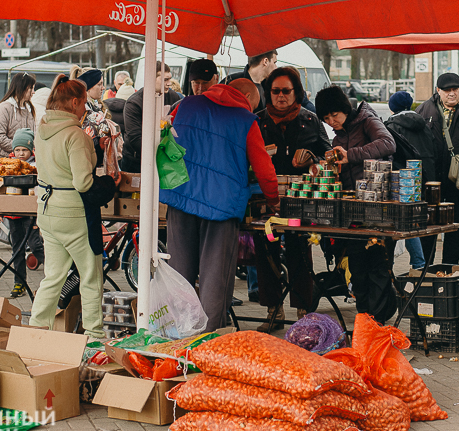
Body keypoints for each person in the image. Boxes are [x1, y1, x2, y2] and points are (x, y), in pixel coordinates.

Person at [163, 78, 280, 330]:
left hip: (180, 196)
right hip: (222, 206)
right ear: (247, 98)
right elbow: (264, 169)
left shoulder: (184, 105)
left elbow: (162, 140)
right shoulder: (245, 120)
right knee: (215, 278)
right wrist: (274, 200)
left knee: (178, 273)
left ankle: (175, 337)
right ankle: (207, 341)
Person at [30, 76, 119, 339]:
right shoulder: (75, 135)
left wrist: (92, 148)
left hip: (47, 210)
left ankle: (36, 331)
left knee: (53, 277)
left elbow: (61, 165)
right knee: (90, 277)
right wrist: (109, 183)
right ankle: (94, 336)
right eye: (85, 105)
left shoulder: (43, 131)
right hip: (74, 214)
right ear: (75, 102)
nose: (86, 110)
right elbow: (83, 182)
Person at [255, 67, 330, 330]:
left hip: (300, 201)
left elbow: (329, 155)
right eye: (275, 91)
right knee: (266, 253)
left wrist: (313, 159)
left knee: (300, 253)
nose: (281, 96)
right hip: (265, 201)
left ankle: (303, 312)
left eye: (286, 91)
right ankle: (273, 311)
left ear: (296, 92)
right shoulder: (258, 121)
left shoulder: (309, 120)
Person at [316, 85, 397, 321]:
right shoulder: (338, 137)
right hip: (353, 210)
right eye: (326, 118)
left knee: (377, 264)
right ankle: (364, 318)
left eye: (334, 115)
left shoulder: (367, 120)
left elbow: (388, 143)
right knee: (357, 267)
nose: (331, 121)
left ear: (345, 108)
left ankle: (378, 320)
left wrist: (351, 155)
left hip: (377, 206)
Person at [416, 72, 459, 265]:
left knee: (455, 226)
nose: (452, 93)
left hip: (457, 181)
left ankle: (449, 267)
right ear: (438, 91)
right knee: (427, 225)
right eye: (447, 90)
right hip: (430, 180)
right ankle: (426, 268)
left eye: (455, 89)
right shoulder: (423, 110)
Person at [385, 90, 438, 272]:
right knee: (412, 222)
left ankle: (393, 267)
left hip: (402, 181)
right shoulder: (423, 124)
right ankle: (419, 264)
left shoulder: (392, 126)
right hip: (423, 179)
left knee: (402, 222)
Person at [0, 128, 45, 298]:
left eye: (24, 150)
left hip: (31, 214)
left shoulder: (38, 165)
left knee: (36, 245)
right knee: (17, 250)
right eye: (18, 150)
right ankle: (19, 283)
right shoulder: (6, 166)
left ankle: (55, 275)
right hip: (13, 214)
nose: (21, 154)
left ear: (31, 149)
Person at [122, 62, 183, 173]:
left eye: (170, 79)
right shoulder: (134, 103)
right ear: (150, 78)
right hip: (136, 162)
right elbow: (135, 138)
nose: (169, 83)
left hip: (166, 160)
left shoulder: (173, 96)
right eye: (165, 80)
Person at [0, 72, 36, 159]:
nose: (33, 92)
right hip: (4, 160)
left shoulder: (29, 109)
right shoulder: (4, 108)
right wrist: (20, 148)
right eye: (31, 88)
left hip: (26, 160)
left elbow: (34, 134)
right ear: (22, 88)